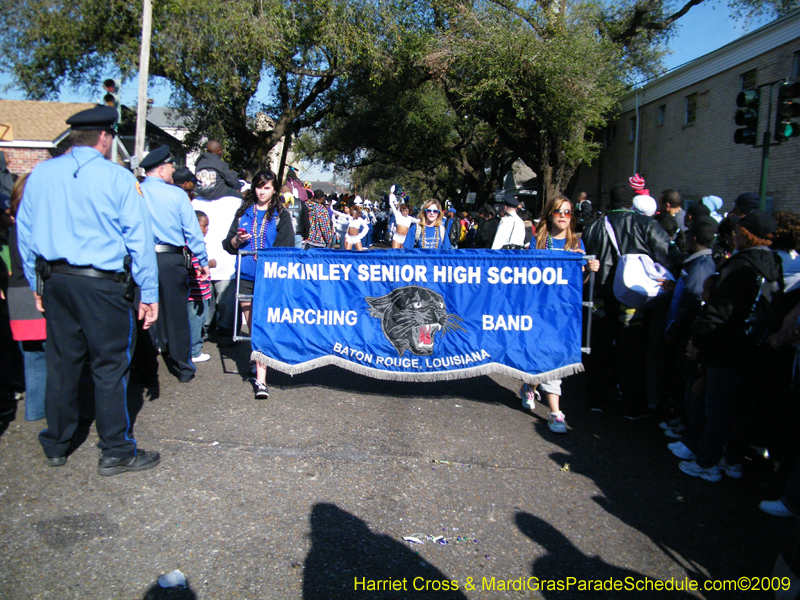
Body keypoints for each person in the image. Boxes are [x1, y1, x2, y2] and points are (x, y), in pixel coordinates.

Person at [15, 105, 160, 476]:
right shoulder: (117, 177)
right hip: (102, 284)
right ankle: (115, 449)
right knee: (110, 366)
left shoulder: (40, 174)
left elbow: (25, 234)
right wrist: (149, 292)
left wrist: (37, 285)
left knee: (62, 363)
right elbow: (139, 239)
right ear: (105, 137)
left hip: (57, 282)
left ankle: (57, 442)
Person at [681, 210, 782, 482]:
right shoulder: (774, 264)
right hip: (757, 348)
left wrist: (698, 341)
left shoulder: (739, 266)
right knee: (743, 410)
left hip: (727, 349)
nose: (734, 236)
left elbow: (718, 312)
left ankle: (707, 463)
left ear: (747, 236)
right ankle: (733, 460)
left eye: (739, 232)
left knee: (717, 409)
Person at [581, 183, 678, 416]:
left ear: (609, 203)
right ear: (630, 203)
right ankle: (633, 405)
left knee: (599, 349)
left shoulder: (593, 227)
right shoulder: (646, 224)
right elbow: (669, 254)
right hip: (633, 297)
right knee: (631, 351)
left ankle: (597, 400)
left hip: (600, 296)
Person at [519, 196, 599, 432]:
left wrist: (589, 270)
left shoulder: (576, 242)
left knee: (554, 356)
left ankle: (545, 401)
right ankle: (542, 398)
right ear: (549, 215)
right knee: (540, 353)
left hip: (563, 312)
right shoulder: (538, 241)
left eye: (568, 212)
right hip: (539, 309)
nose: (563, 216)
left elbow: (579, 281)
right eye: (558, 212)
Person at [222, 170, 294, 400]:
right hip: (245, 275)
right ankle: (259, 365)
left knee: (264, 323)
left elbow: (287, 248)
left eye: (267, 187)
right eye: (259, 187)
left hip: (270, 277)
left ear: (274, 190)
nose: (262, 191)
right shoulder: (244, 211)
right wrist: (237, 240)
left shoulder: (281, 214)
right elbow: (228, 242)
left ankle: (261, 378)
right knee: (254, 326)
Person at [140, 145, 209, 383]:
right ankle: (183, 367)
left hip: (141, 257)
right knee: (176, 315)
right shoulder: (177, 194)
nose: (173, 169)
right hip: (170, 259)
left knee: (145, 314)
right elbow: (192, 231)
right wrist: (201, 259)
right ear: (161, 170)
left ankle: (145, 369)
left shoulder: (135, 191)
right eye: (170, 165)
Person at [6, 174, 46, 421]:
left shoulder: (16, 225)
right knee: (51, 356)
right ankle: (48, 410)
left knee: (32, 357)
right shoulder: (36, 223)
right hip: (36, 292)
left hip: (17, 294)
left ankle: (34, 410)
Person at [191, 161, 243, 346]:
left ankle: (225, 331)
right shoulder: (195, 202)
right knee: (206, 300)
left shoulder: (236, 201)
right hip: (204, 260)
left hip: (225, 260)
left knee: (224, 300)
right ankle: (208, 330)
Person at [188, 211, 215, 363]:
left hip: (201, 289)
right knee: (196, 320)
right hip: (195, 290)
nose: (206, 229)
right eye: (204, 225)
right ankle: (194, 351)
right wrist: (210, 263)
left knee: (199, 318)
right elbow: (195, 266)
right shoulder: (193, 244)